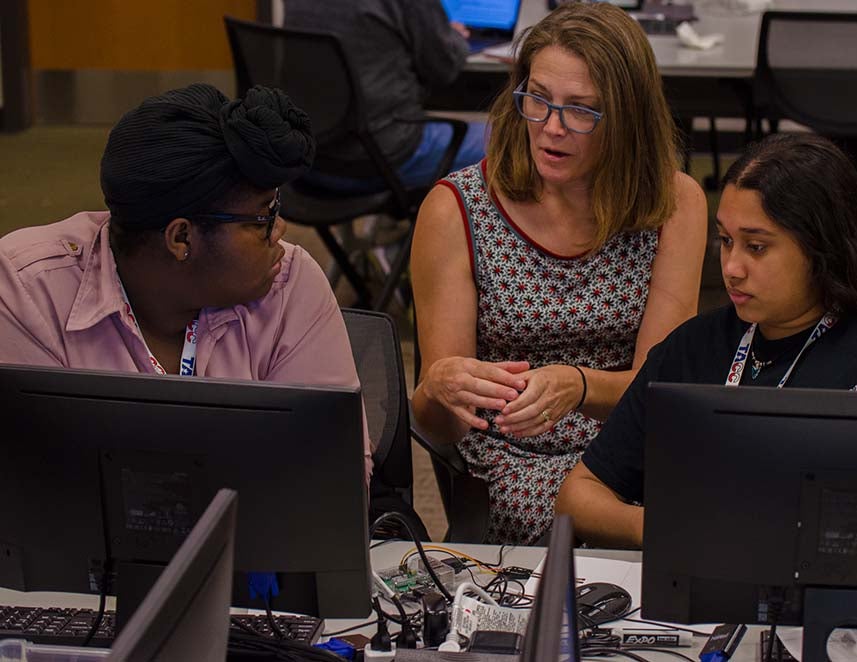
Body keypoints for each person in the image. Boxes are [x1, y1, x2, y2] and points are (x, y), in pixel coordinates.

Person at [555, 133, 857, 549]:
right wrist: (660, 526)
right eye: (726, 241)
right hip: (705, 590)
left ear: (821, 248)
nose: (732, 268)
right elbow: (578, 497)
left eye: (756, 247)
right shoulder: (693, 347)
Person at [411, 2, 708, 544]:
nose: (551, 128)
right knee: (664, 533)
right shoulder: (458, 208)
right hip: (512, 457)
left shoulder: (674, 203)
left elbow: (660, 388)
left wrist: (578, 386)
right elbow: (441, 423)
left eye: (581, 110)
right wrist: (439, 388)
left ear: (627, 119)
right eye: (538, 100)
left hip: (629, 446)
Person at [0, 83, 372, 483]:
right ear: (181, 238)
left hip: (254, 544)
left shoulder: (290, 283)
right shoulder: (27, 293)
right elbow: (29, 491)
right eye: (262, 219)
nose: (280, 230)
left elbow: (336, 477)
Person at [282, 0, 487, 193]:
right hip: (379, 160)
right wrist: (454, 37)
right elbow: (445, 66)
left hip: (309, 158)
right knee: (507, 142)